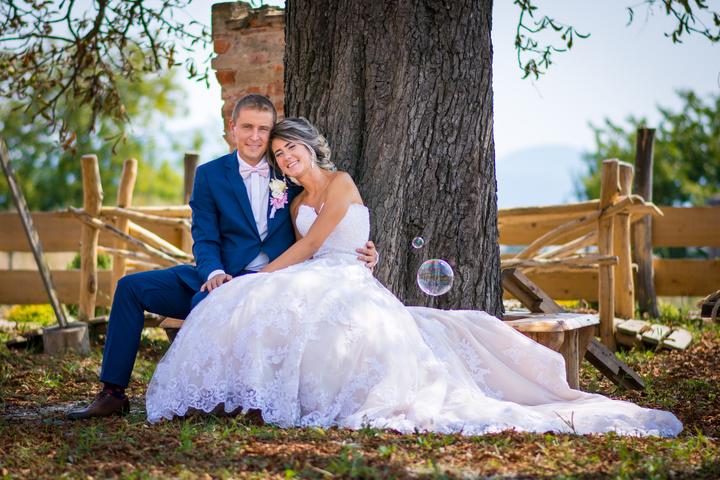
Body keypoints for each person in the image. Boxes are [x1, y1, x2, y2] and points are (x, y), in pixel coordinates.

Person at [145, 117, 682, 437]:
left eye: (292, 149)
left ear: (311, 146)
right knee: (276, 306)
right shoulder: (292, 202)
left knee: (310, 310)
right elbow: (302, 249)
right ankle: (249, 395)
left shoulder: (340, 182)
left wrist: (258, 277)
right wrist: (260, 276)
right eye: (279, 154)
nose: (286, 159)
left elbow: (314, 243)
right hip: (317, 271)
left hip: (345, 275)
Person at [67, 96, 378, 420]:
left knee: (207, 306)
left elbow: (321, 231)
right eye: (247, 127)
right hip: (220, 274)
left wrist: (362, 249)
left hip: (272, 280)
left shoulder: (289, 173)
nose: (255, 136)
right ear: (233, 129)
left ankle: (209, 401)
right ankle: (112, 393)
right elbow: (204, 236)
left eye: (263, 129)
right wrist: (213, 271)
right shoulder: (210, 175)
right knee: (131, 287)